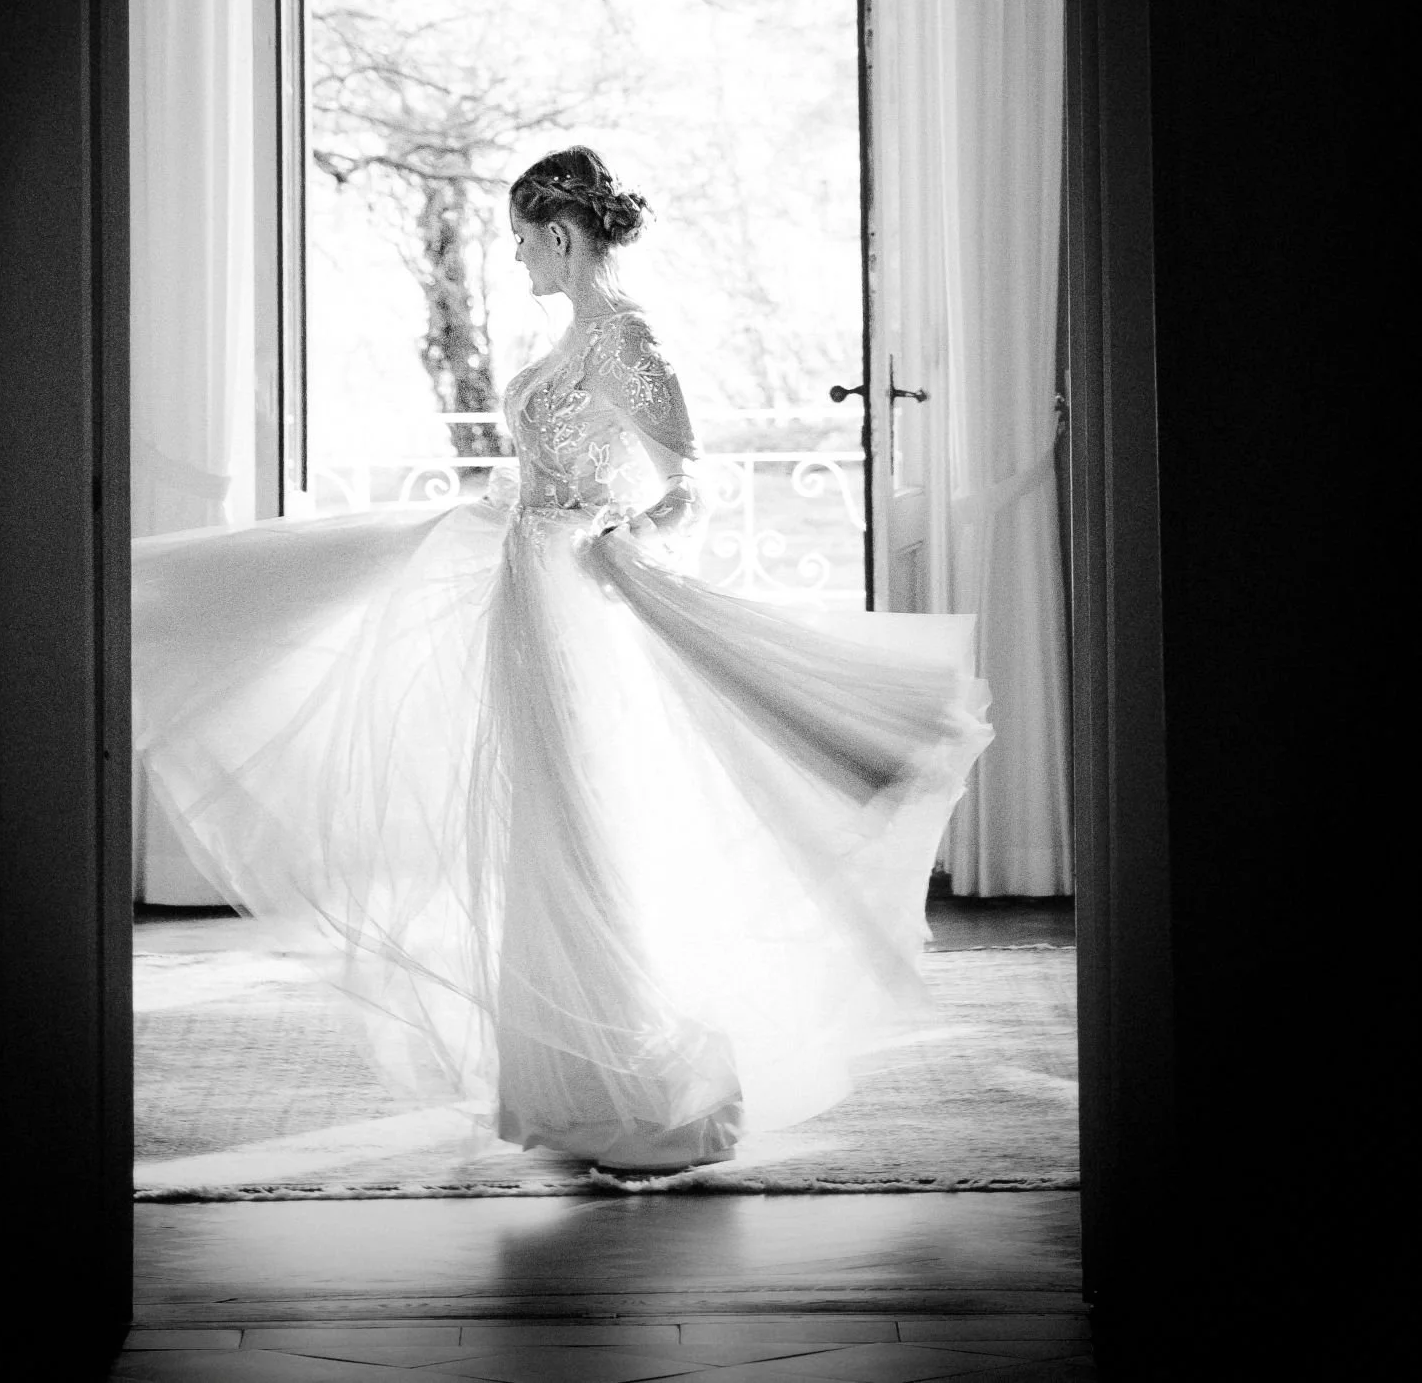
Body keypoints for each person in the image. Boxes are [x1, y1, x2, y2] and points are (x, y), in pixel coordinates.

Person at [133, 144, 992, 1175]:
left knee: (585, 834)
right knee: (544, 833)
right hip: (526, 592)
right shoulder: (574, 339)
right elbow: (551, 463)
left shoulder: (622, 338)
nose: (514, 261)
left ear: (557, 234)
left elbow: (684, 478)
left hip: (568, 600)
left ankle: (645, 1095)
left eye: (516, 242)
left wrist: (609, 532)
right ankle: (577, 1096)